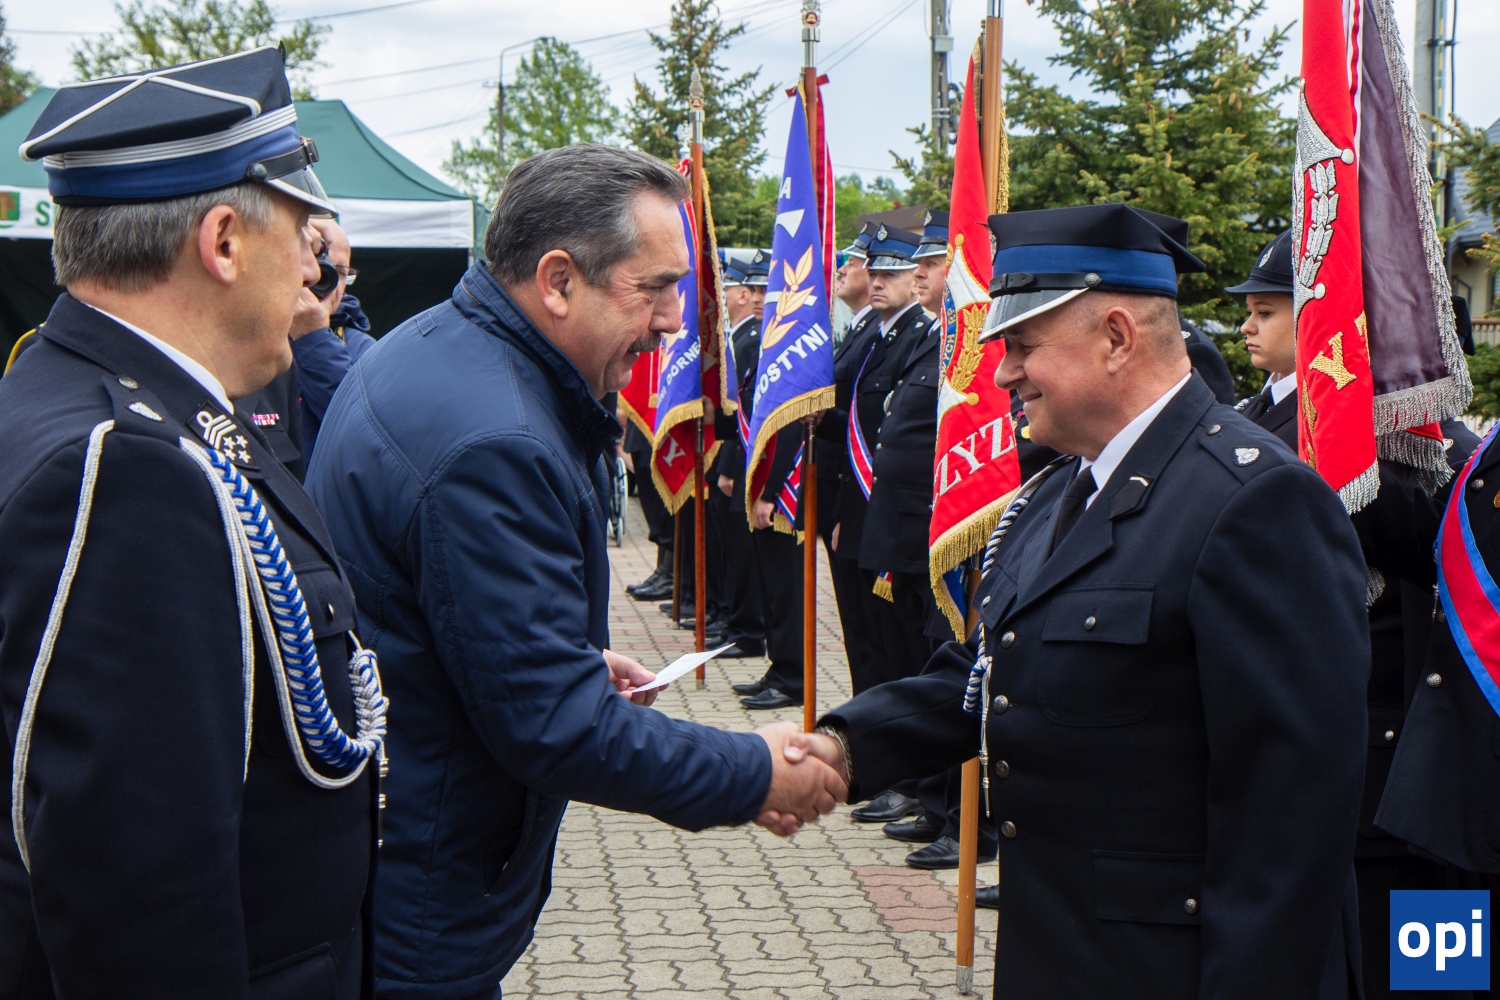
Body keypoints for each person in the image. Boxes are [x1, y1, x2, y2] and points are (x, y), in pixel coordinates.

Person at [304, 143, 846, 998]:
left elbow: (432, 613)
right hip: (419, 893)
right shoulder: (496, 441)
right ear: (558, 280)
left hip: (392, 859)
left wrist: (563, 656)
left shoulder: (439, 348)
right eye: (654, 287)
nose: (673, 320)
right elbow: (554, 726)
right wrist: (753, 771)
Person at [789, 203, 1370, 999]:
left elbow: (1290, 822)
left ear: (1117, 338)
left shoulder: (1256, 503)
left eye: (1023, 346)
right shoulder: (1055, 492)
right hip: (1059, 954)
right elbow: (989, 674)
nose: (1002, 375)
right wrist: (841, 749)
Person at [0, 48, 384, 996]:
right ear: (223, 242)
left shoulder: (91, 399)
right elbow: (142, 902)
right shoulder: (127, 466)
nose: (315, 266)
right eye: (302, 231)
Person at [857, 210, 999, 871]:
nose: (918, 273)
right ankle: (934, 799)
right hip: (915, 531)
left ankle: (963, 816)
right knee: (923, 663)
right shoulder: (934, 338)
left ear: (963, 267)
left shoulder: (976, 342)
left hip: (946, 533)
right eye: (915, 263)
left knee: (950, 665)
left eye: (931, 262)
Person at [710, 251, 769, 659]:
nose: (760, 298)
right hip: (733, 458)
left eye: (764, 290)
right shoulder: (742, 337)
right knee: (731, 548)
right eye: (756, 289)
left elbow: (745, 412)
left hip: (744, 461)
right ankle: (733, 620)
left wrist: (730, 466)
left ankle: (745, 628)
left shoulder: (754, 340)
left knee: (742, 553)